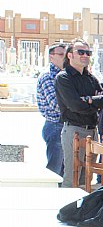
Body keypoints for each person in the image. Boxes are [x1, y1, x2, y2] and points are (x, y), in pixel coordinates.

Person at [54, 39, 103, 188]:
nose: (85, 55)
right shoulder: (63, 78)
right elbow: (75, 105)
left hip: (92, 131)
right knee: (72, 178)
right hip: (74, 130)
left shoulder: (91, 78)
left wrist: (89, 100)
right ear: (70, 55)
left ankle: (82, 211)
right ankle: (66, 210)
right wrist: (93, 103)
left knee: (86, 180)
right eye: (81, 52)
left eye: (88, 53)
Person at [36, 43, 67, 177]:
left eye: (66, 54)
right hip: (55, 125)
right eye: (61, 54)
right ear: (51, 57)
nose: (64, 58)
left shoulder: (66, 75)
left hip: (64, 125)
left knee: (64, 170)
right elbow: (56, 105)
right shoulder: (48, 77)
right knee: (54, 170)